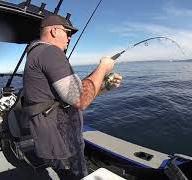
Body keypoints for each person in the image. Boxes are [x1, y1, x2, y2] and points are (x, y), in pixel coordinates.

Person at [23, 14, 122, 179]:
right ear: (54, 31)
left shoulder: (37, 52)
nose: (69, 38)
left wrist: (104, 85)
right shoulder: (50, 52)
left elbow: (76, 92)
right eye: (67, 32)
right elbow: (81, 100)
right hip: (61, 141)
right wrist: (103, 67)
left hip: (50, 138)